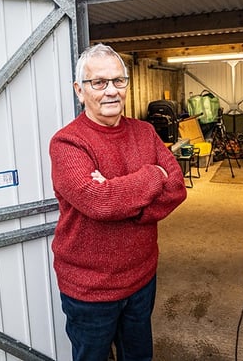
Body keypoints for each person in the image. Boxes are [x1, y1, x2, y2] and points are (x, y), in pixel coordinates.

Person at [49, 43, 187, 361]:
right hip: (90, 289)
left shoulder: (146, 132)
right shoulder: (67, 142)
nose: (111, 91)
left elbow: (177, 188)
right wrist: (153, 175)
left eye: (118, 81)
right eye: (98, 82)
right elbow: (98, 202)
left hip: (141, 278)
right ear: (79, 91)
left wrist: (120, 199)